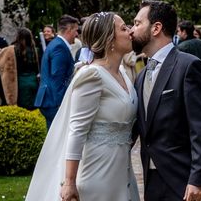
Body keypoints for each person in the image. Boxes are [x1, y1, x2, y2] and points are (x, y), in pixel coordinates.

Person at [26, 11, 139, 201]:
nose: (130, 32)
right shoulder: (92, 75)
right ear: (109, 39)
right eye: (123, 28)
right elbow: (76, 129)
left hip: (122, 171)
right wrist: (69, 182)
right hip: (97, 171)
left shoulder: (122, 74)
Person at [131, 0, 201, 201]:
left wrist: (198, 179)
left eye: (137, 23)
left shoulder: (189, 66)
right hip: (152, 180)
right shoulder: (142, 75)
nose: (131, 30)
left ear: (156, 28)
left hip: (184, 181)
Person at [34, 15, 78, 129]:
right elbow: (56, 77)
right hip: (53, 102)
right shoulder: (59, 46)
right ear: (69, 30)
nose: (77, 34)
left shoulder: (56, 44)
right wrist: (61, 104)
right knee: (56, 141)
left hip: (49, 99)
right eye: (76, 30)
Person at [0, 27, 40, 109]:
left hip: (20, 83)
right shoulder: (35, 50)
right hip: (33, 82)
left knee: (22, 109)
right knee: (32, 108)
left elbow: (0, 61)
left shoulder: (13, 50)